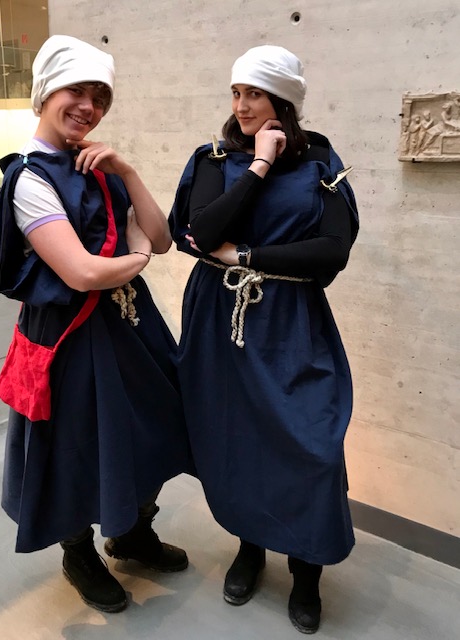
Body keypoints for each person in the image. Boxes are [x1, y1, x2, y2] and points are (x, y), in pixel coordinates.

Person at [0, 35, 192, 613]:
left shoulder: (100, 167)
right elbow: (82, 272)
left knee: (157, 428)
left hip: (131, 327)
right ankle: (78, 552)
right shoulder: (29, 179)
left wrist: (126, 169)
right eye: (75, 91)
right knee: (75, 445)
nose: (88, 106)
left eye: (100, 97)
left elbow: (161, 237)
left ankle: (131, 533)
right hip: (69, 336)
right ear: (44, 93)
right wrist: (136, 259)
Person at [169, 45, 359, 634]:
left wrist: (249, 255)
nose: (241, 105)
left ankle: (306, 571)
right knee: (236, 439)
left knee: (311, 444)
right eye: (236, 92)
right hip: (219, 319)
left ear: (284, 100)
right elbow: (201, 232)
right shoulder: (214, 158)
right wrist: (258, 165)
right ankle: (249, 548)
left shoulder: (321, 160)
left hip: (290, 319)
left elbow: (333, 249)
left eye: (255, 93)